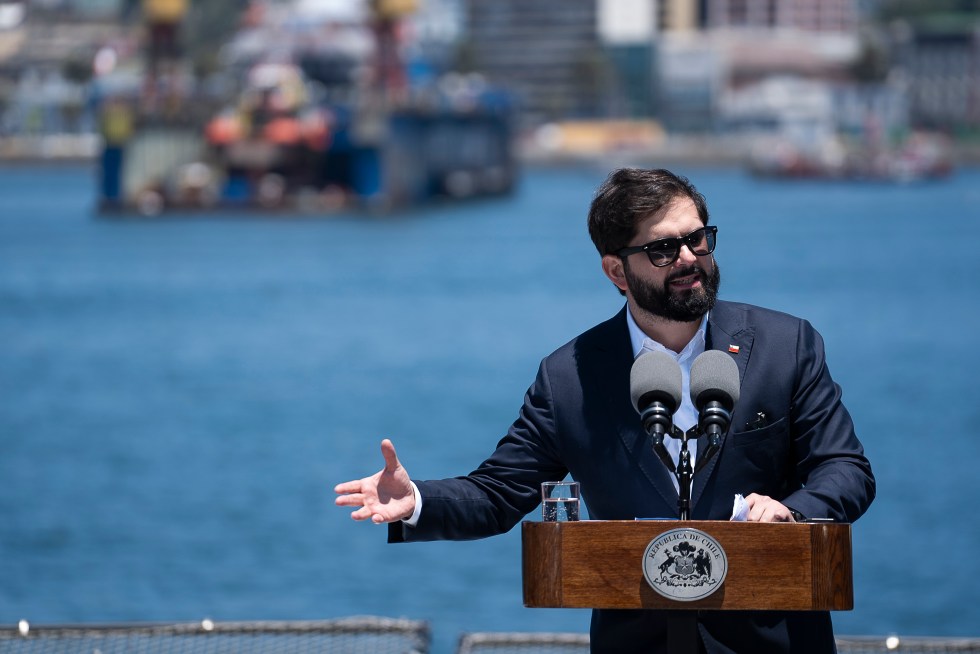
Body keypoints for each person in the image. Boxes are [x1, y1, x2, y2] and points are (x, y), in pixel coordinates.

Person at [334, 168, 875, 653]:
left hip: (774, 641)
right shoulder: (570, 376)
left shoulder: (787, 345)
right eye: (663, 250)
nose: (689, 259)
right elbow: (500, 492)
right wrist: (417, 500)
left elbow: (846, 470)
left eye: (698, 240)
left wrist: (793, 512)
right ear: (617, 272)